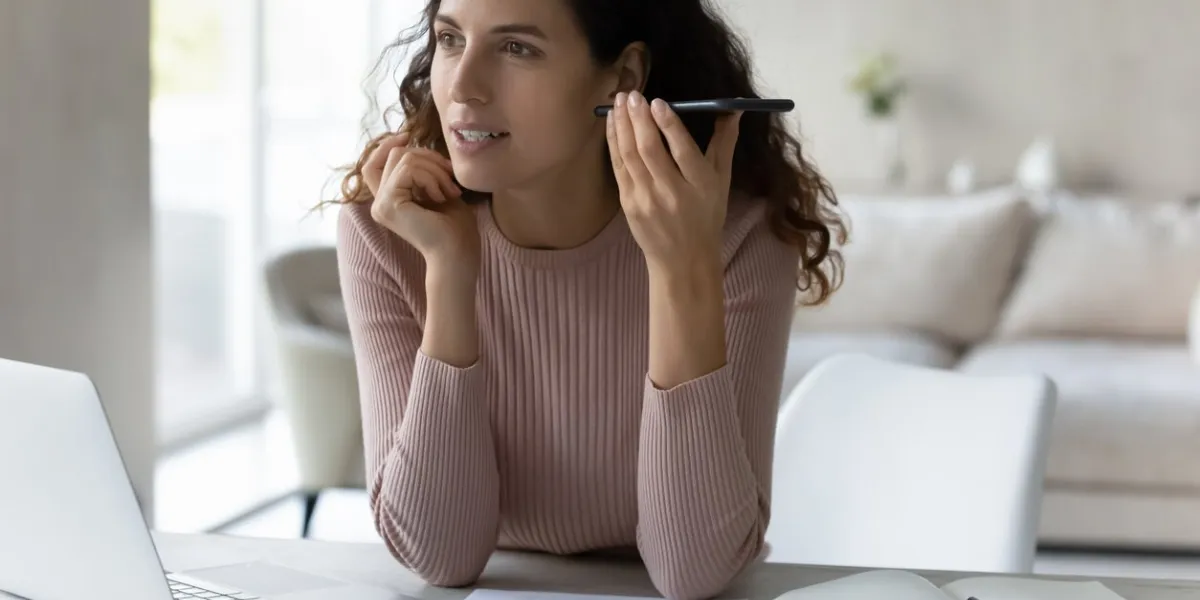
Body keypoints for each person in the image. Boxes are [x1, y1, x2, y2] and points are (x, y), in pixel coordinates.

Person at [331, 0, 846, 598]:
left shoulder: (737, 236)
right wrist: (449, 272)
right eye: (449, 40)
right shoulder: (389, 231)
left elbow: (694, 570)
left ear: (623, 78)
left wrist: (683, 270)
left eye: (516, 47)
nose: (462, 88)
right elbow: (437, 555)